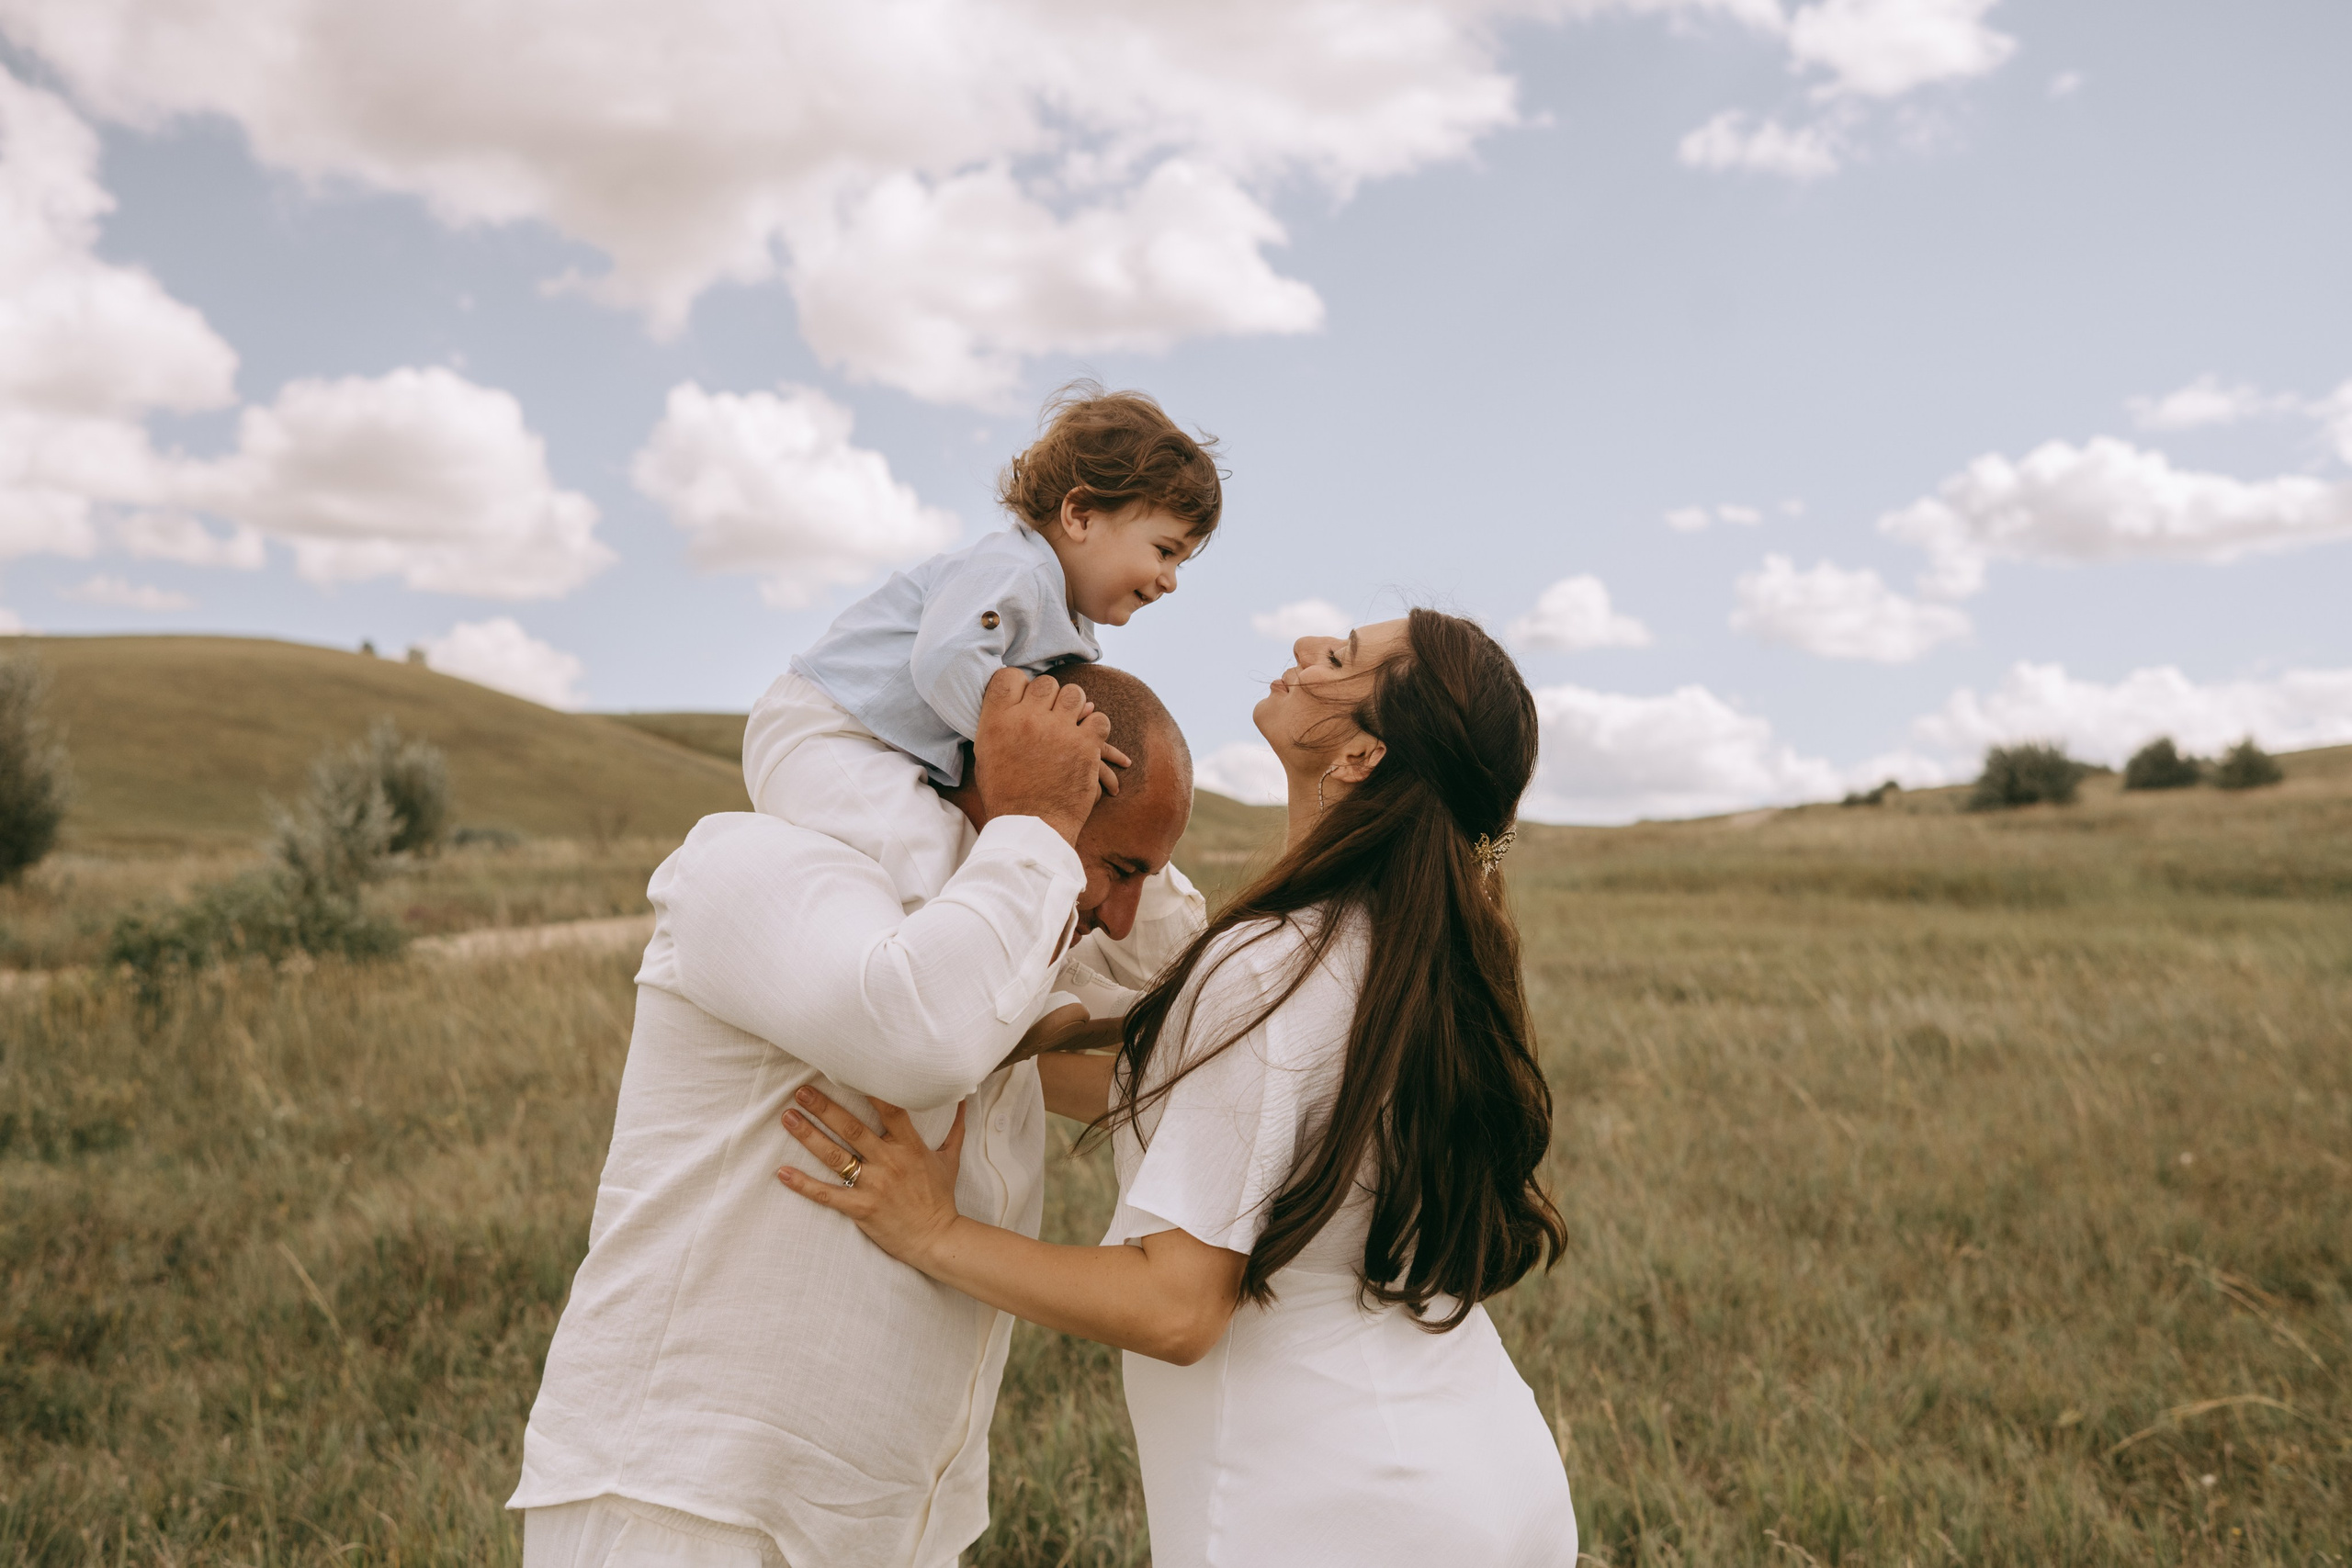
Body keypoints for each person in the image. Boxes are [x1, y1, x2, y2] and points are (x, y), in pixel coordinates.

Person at [779, 609, 1579, 1567]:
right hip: (1488, 1476)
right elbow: (1192, 1101)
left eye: (1342, 660)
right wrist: (931, 1035)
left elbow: (1176, 1308)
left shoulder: (1270, 962)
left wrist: (934, 1232)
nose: (1303, 651)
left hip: (1332, 1511)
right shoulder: (1417, 955)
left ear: (1364, 754)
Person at [509, 664, 1203, 1567]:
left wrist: (1085, 835)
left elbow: (1187, 1019)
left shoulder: (1006, 943)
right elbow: (920, 1044)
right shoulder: (755, 865)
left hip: (892, 1525)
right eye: (1115, 870)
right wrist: (1037, 817)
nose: (1118, 915)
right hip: (686, 1507)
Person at [745, 382, 1222, 908]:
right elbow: (946, 659)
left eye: (1180, 562)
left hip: (887, 752)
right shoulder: (1014, 571)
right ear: (1080, 516)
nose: (1170, 579)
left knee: (964, 856)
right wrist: (1035, 754)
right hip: (829, 728)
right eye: (1164, 550)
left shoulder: (1066, 619)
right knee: (929, 865)